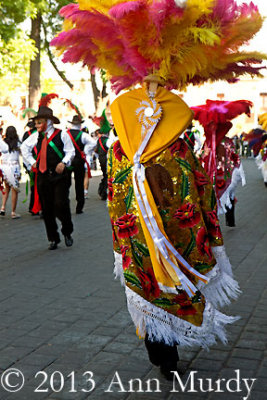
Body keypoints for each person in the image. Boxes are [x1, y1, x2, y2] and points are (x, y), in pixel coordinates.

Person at [108, 78, 241, 379]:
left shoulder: (120, 152)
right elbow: (202, 193)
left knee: (149, 293)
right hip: (178, 240)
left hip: (138, 241)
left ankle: (161, 352)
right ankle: (169, 352)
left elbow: (115, 202)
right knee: (173, 289)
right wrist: (210, 232)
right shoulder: (180, 149)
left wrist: (119, 243)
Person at [21, 106, 75, 250]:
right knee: (47, 209)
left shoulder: (62, 134)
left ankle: (67, 231)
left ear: (49, 122)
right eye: (36, 123)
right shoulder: (35, 136)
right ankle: (53, 238)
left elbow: (70, 151)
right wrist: (32, 163)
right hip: (43, 176)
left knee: (60, 203)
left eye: (39, 122)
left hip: (59, 176)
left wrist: (63, 162)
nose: (37, 125)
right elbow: (24, 148)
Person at [67, 115, 96, 213]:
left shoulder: (65, 134)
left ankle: (64, 203)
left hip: (67, 161)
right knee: (79, 184)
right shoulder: (83, 135)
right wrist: (85, 151)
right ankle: (79, 207)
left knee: (65, 183)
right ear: (80, 124)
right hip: (79, 160)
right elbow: (93, 143)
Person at [0, 126, 21, 218]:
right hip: (14, 167)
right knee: (14, 190)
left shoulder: (3, 143)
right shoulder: (18, 143)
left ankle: (3, 207)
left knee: (6, 188)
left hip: (4, 166)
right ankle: (13, 212)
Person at [22, 118, 39, 216]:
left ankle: (32, 207)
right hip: (37, 162)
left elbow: (24, 150)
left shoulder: (26, 135)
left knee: (34, 186)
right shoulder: (38, 134)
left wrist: (27, 165)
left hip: (30, 163)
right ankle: (37, 207)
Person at [94, 129, 109, 200]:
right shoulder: (108, 140)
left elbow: (96, 150)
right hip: (107, 159)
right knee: (107, 176)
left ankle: (102, 191)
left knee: (104, 175)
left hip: (101, 158)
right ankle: (104, 192)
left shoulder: (98, 140)